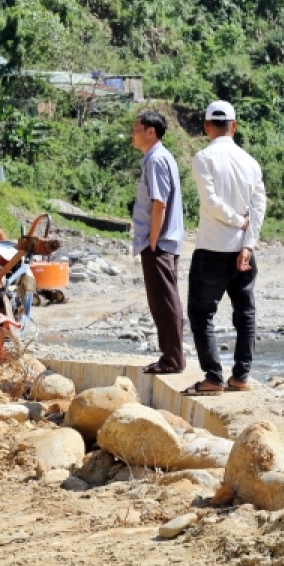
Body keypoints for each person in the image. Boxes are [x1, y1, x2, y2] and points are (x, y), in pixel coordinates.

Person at [183, 100, 268, 396]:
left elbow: (210, 203)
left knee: (201, 313)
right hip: (243, 252)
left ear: (207, 127)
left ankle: (213, 377)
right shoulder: (251, 162)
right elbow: (259, 206)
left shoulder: (203, 158)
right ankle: (241, 375)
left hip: (212, 249)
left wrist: (236, 222)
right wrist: (248, 243)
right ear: (234, 126)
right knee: (245, 313)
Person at [129, 110, 186, 375]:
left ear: (150, 131)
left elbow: (159, 202)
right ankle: (171, 356)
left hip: (159, 243)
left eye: (136, 129)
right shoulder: (158, 158)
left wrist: (152, 240)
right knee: (164, 300)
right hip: (161, 241)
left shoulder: (156, 159)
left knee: (164, 301)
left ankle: (172, 359)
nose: (132, 134)